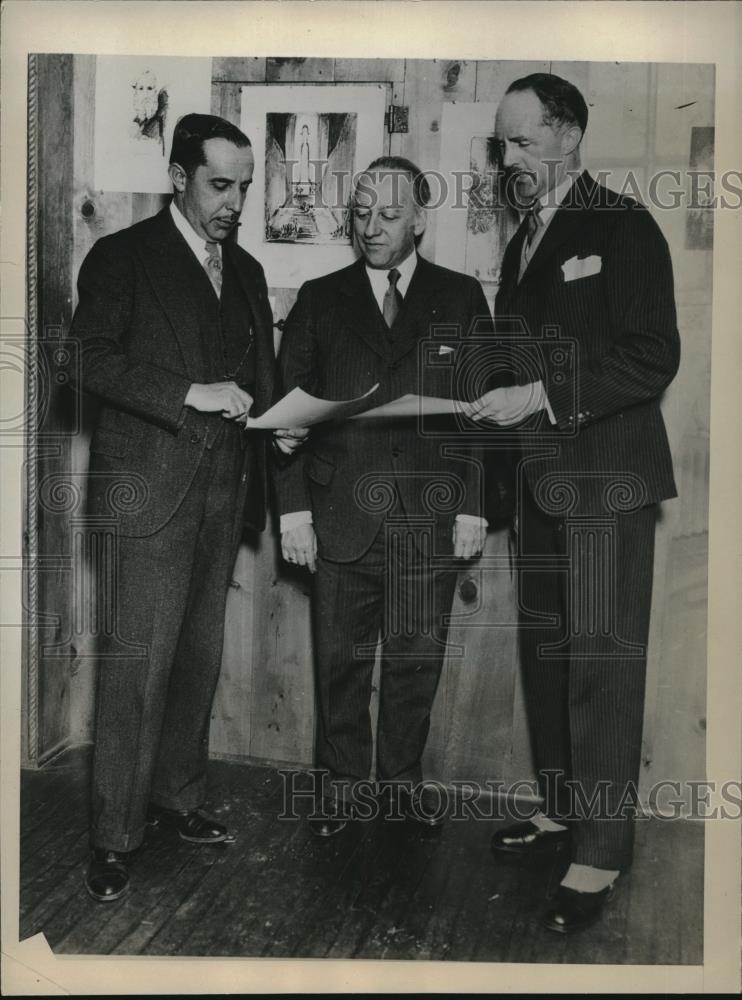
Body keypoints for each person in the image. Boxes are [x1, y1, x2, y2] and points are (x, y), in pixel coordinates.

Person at [465, 74, 680, 932]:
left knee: (600, 667)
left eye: (521, 142)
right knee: (551, 656)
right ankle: (562, 811)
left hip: (608, 484)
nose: (508, 160)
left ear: (569, 135)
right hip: (543, 487)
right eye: (501, 145)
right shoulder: (524, 243)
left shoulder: (624, 227)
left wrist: (541, 396)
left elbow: (649, 358)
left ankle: (599, 853)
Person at [71, 113, 292, 901]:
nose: (234, 202)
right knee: (137, 668)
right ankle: (114, 835)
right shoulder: (121, 257)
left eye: (244, 187)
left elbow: (259, 384)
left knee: (196, 661)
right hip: (145, 498)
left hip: (220, 492)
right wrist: (187, 393)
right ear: (178, 176)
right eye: (219, 185)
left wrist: (280, 429)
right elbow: (85, 359)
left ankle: (176, 800)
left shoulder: (251, 272)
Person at [274, 156, 491, 836]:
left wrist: (474, 504)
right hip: (339, 518)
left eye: (389, 215)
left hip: (429, 519)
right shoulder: (320, 295)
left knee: (414, 665)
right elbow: (283, 413)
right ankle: (341, 792)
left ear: (420, 219)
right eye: (362, 213)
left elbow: (479, 411)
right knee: (340, 665)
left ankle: (399, 789)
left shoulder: (459, 298)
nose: (372, 227)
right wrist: (292, 509)